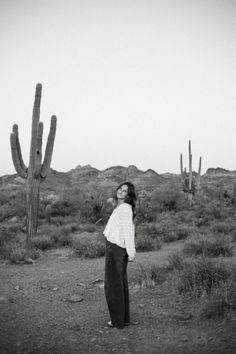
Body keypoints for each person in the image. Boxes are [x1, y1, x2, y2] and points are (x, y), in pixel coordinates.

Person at [103, 181, 136, 329]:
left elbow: (129, 232)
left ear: (129, 195)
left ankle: (118, 321)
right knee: (119, 285)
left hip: (116, 250)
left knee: (113, 286)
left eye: (125, 191)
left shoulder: (125, 209)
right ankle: (123, 319)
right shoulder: (121, 207)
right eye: (120, 189)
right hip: (113, 248)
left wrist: (131, 252)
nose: (121, 192)